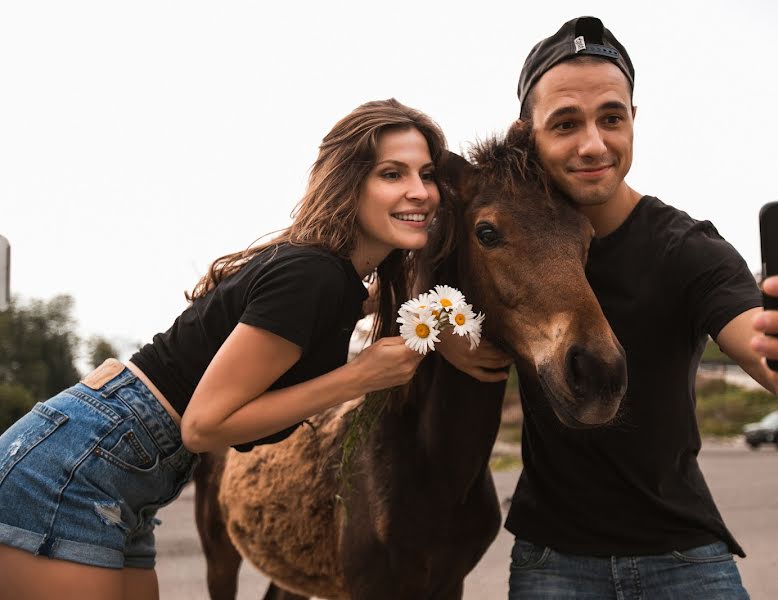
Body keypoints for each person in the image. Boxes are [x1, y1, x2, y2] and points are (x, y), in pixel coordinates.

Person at [437, 16, 778, 599]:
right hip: (552, 559)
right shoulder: (504, 242)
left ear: (634, 121)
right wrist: (446, 332)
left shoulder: (687, 248)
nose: (593, 144)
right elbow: (404, 290)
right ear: (528, 136)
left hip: (684, 558)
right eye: (566, 123)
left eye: (612, 117)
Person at [0, 98, 447, 600]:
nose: (419, 192)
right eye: (393, 174)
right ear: (348, 184)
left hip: (125, 472)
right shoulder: (311, 275)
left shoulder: (334, 284)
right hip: (75, 467)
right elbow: (203, 426)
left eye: (427, 175)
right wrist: (360, 376)